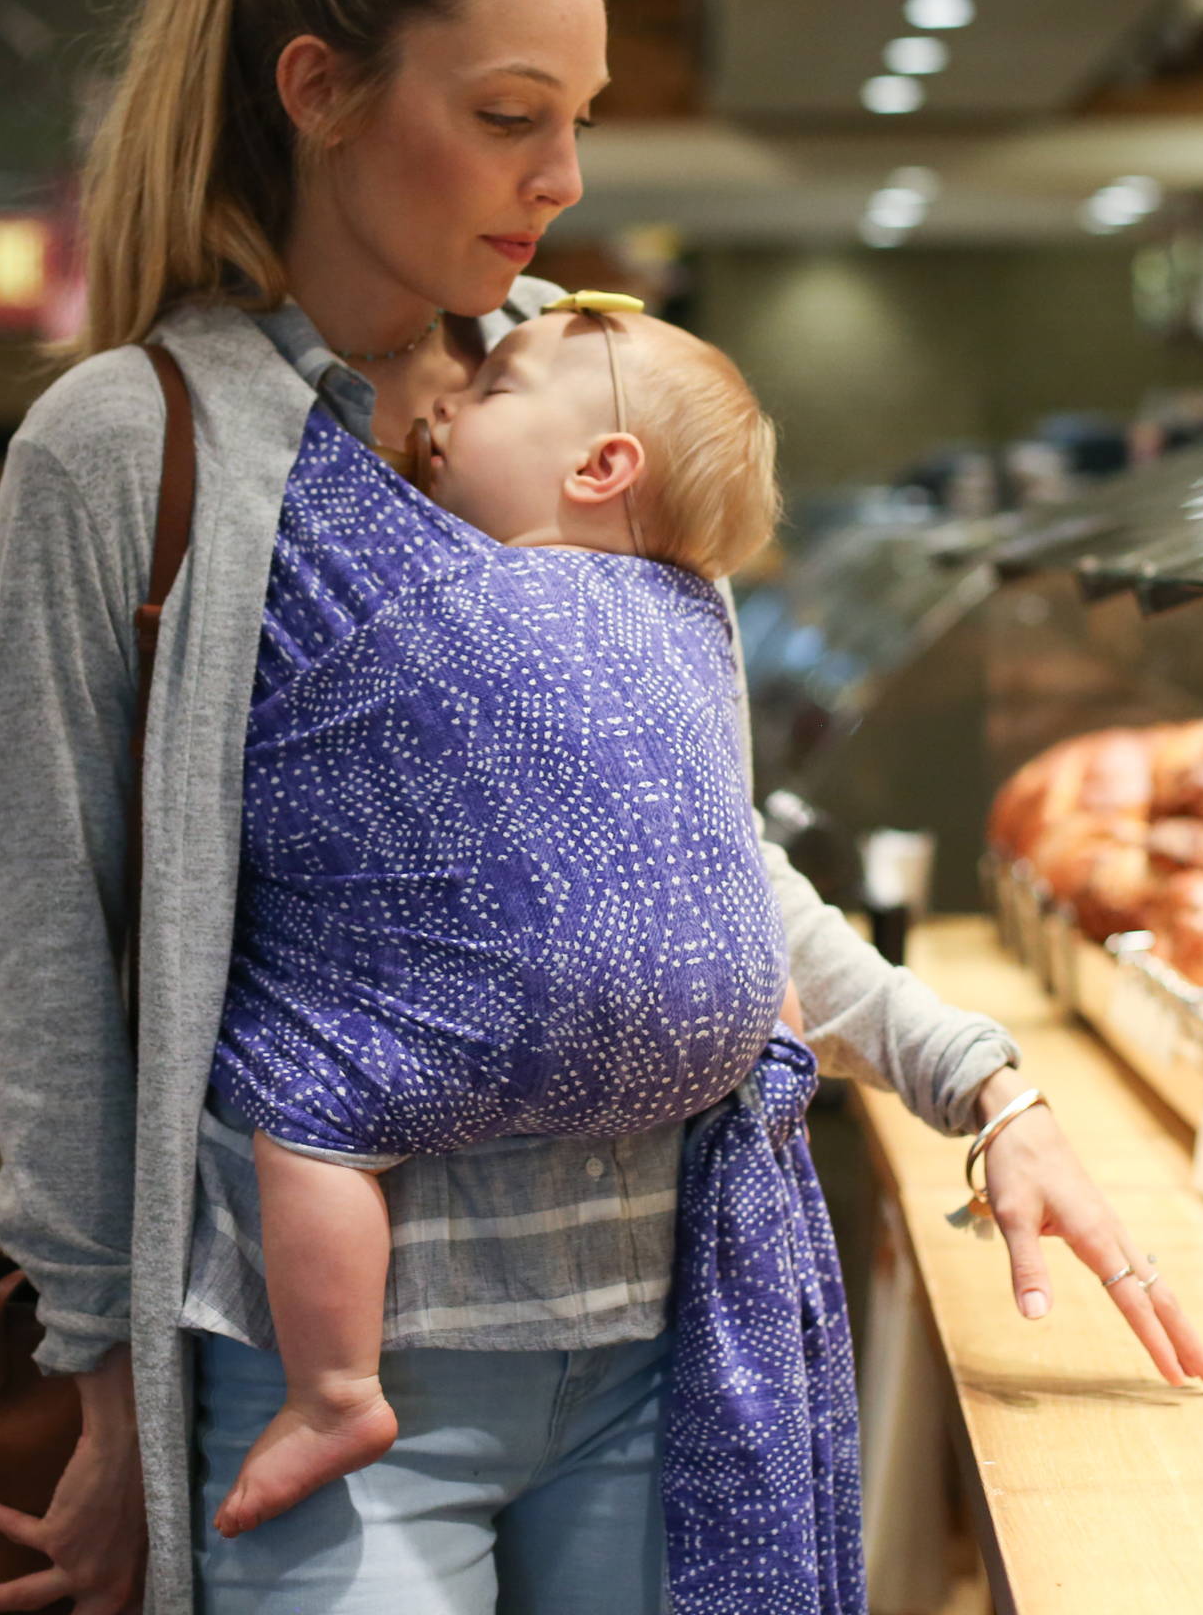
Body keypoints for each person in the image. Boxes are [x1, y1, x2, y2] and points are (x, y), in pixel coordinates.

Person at [0, 0, 1203, 1615]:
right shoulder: (134, 453)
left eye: (579, 120)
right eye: (503, 119)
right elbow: (51, 966)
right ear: (318, 91)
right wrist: (98, 1373)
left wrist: (983, 1083)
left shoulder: (598, 399)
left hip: (669, 1345)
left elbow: (696, 859)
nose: (560, 178)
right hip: (338, 1382)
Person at [207, 300, 811, 1557]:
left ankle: (333, 1394)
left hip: (488, 1052)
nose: (442, 409)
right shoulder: (689, 608)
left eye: (491, 394)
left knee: (313, 1119)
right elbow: (720, 842)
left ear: (599, 466)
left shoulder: (426, 583)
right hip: (729, 1037)